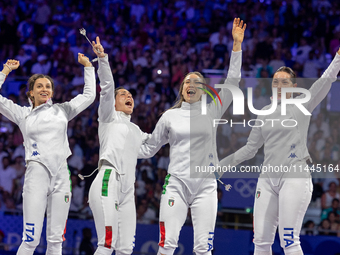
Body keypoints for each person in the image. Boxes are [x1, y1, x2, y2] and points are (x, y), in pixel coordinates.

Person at [138, 18, 245, 255]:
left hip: (206, 185)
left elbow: (233, 81)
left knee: (204, 248)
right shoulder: (169, 116)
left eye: (196, 81)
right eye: (187, 81)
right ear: (182, 88)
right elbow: (149, 148)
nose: (191, 84)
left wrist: (236, 46)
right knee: (167, 246)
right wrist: (123, 141)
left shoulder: (213, 108)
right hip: (176, 184)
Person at [220, 48, 340, 254]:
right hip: (267, 180)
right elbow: (250, 148)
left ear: (293, 87)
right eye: (275, 81)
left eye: (284, 82)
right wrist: (221, 166)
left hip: (294, 176)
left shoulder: (302, 103)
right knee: (261, 242)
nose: (278, 85)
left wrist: (338, 58)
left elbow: (326, 80)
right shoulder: (264, 112)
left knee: (289, 241)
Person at [0, 53, 95, 255]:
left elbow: (89, 96)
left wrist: (88, 67)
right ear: (31, 93)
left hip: (62, 175)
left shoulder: (62, 110)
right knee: (30, 240)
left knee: (55, 241)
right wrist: (5, 72)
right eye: (40, 86)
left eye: (48, 86)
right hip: (37, 175)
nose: (45, 89)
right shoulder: (22, 113)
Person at [88, 37, 149, 255]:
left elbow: (151, 146)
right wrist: (102, 60)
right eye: (123, 94)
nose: (128, 96)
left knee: (125, 249)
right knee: (107, 244)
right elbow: (107, 88)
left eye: (130, 95)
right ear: (113, 103)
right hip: (108, 179)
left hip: (127, 191)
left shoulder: (136, 131)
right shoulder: (108, 117)